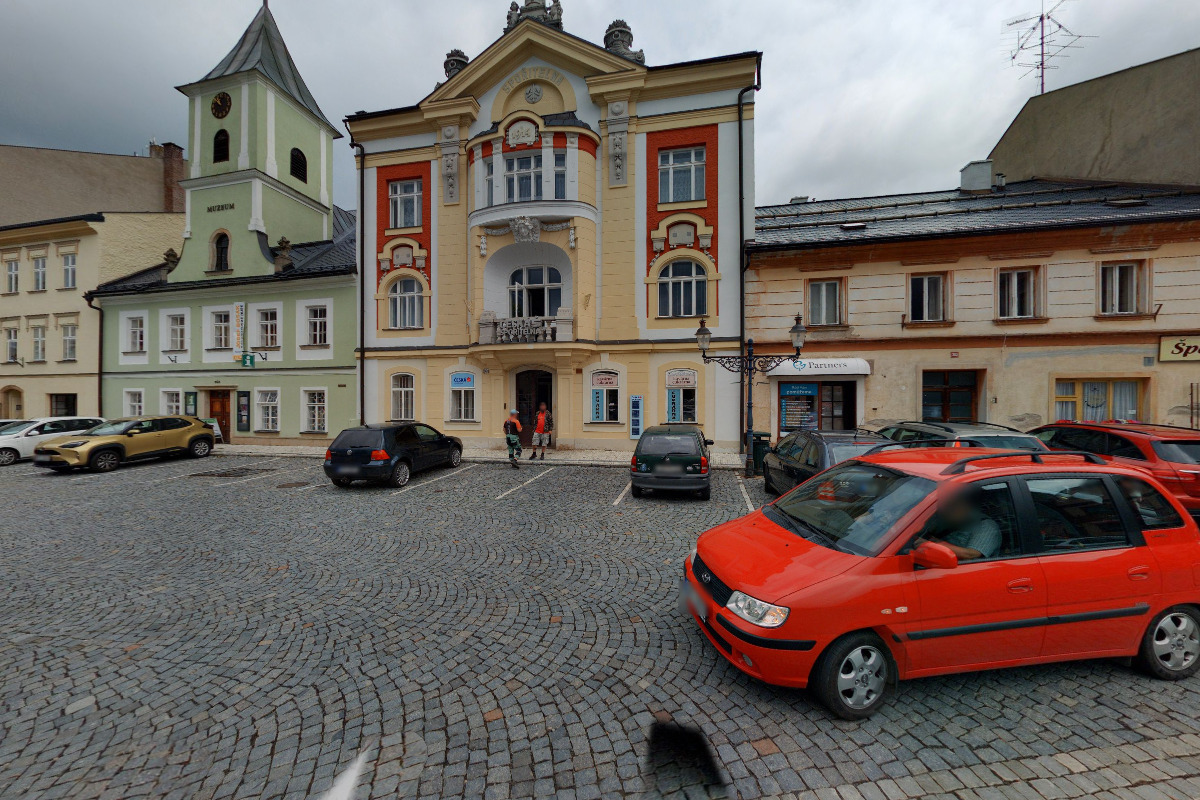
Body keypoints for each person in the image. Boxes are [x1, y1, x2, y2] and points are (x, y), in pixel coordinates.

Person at [916, 493, 1000, 560]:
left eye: (952, 506)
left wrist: (932, 544)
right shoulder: (946, 518)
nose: (945, 510)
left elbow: (971, 554)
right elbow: (927, 531)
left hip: (967, 571)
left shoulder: (987, 526)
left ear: (966, 506)